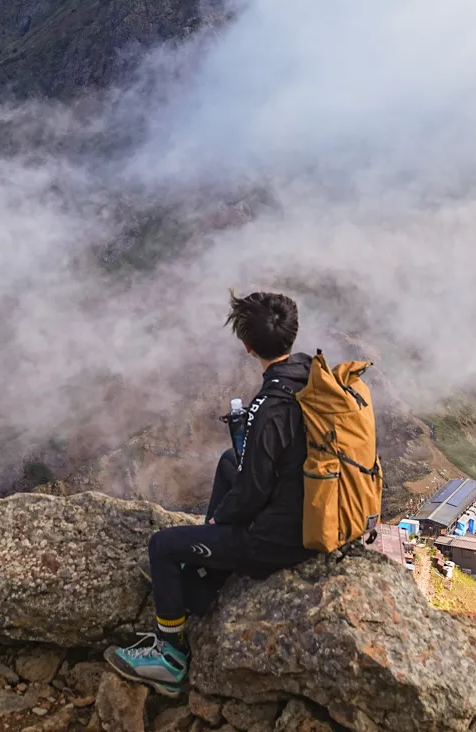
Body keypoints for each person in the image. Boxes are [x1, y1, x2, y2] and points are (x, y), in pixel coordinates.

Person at [105, 291, 317, 696]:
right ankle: (203, 584)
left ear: (247, 346)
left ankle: (169, 654)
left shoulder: (270, 407)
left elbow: (252, 492)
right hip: (305, 511)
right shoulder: (308, 375)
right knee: (226, 462)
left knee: (163, 546)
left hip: (277, 538)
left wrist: (221, 521)